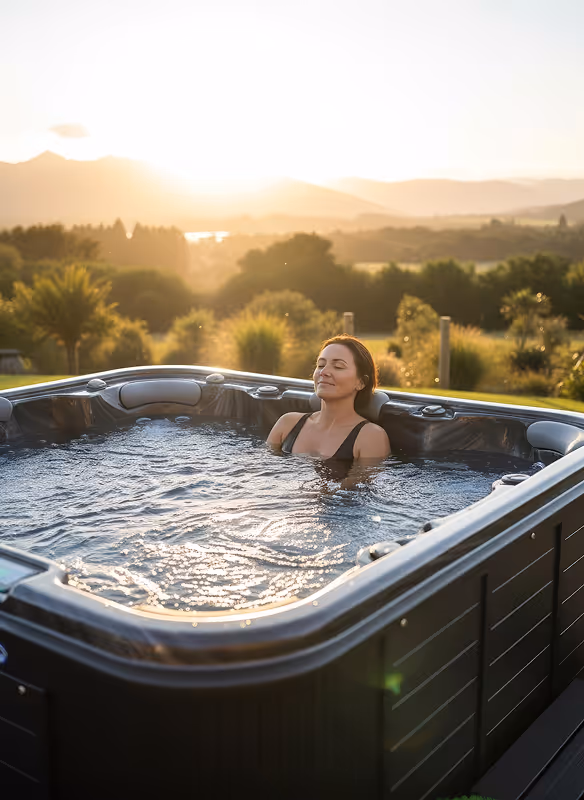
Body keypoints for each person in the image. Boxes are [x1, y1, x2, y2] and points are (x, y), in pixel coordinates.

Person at [268, 335, 390, 463]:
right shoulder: (287, 424)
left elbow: (357, 483)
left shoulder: (370, 437)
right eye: (320, 365)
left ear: (361, 382)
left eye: (338, 366)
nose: (324, 372)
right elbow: (263, 474)